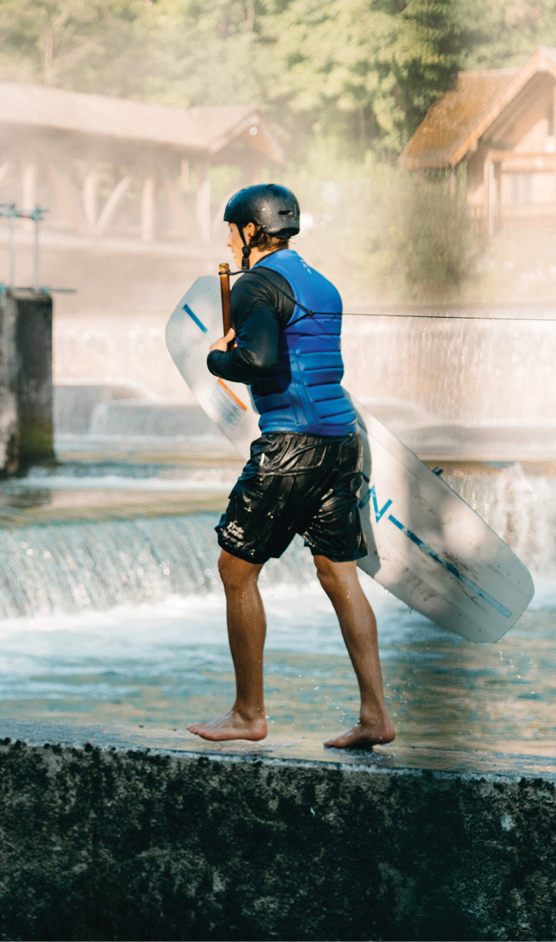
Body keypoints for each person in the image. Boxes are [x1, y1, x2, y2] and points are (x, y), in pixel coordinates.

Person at [186, 183, 396, 750]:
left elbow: (256, 360)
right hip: (342, 440)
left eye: (232, 230)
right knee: (339, 574)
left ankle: (248, 713)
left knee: (236, 570)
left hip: (292, 447)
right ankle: (376, 715)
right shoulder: (320, 284)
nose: (228, 242)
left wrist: (216, 356)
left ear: (252, 230)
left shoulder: (256, 283)